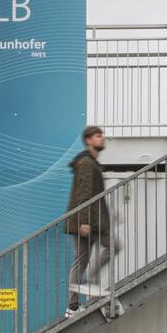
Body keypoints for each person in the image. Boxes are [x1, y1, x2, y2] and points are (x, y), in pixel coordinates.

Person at [64, 124, 109, 314]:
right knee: (84, 258)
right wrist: (83, 221)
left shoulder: (91, 162)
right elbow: (84, 194)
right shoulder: (86, 164)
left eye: (102, 136)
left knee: (83, 259)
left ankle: (75, 302)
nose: (102, 138)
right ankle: (74, 304)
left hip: (93, 221)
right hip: (86, 222)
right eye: (98, 136)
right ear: (88, 140)